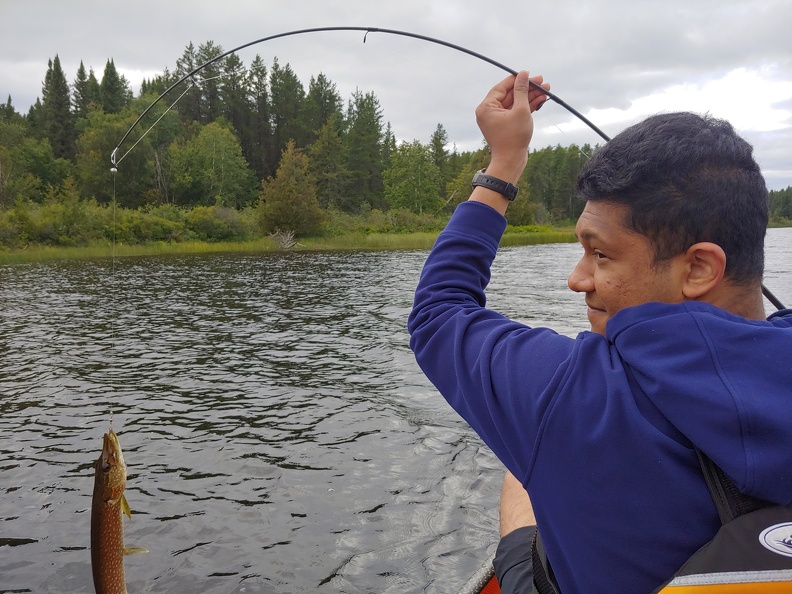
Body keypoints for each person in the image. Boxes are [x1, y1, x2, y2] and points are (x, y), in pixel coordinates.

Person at [407, 70, 792, 593]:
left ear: (700, 268)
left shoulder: (566, 394)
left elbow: (438, 311)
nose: (577, 278)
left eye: (600, 253)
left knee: (521, 476)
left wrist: (503, 165)